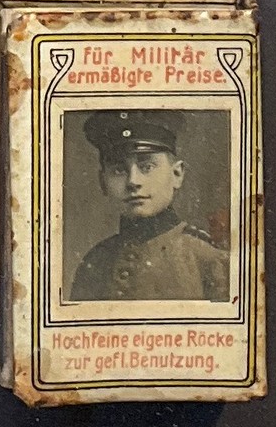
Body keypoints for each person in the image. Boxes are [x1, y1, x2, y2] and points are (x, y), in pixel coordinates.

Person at [67, 111, 231, 304]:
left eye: (147, 167)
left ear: (177, 174)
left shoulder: (208, 258)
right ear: (103, 182)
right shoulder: (95, 261)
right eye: (119, 170)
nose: (133, 181)